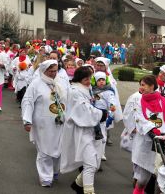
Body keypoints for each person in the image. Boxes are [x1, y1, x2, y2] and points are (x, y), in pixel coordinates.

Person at [130, 75, 165, 194]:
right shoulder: (138, 100)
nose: (141, 87)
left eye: (143, 85)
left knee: (161, 178)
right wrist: (152, 130)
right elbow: (140, 118)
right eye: (140, 85)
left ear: (152, 86)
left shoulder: (164, 101)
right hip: (146, 143)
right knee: (143, 179)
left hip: (162, 142)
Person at [22, 60, 68, 187]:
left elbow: (69, 98)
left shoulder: (62, 82)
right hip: (42, 123)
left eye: (55, 71)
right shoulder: (36, 84)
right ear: (44, 70)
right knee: (44, 150)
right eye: (51, 71)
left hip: (59, 122)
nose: (53, 74)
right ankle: (45, 177)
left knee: (59, 148)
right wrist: (27, 120)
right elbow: (28, 101)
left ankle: (54, 171)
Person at [61, 66, 105, 194]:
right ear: (79, 78)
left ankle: (77, 184)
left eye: (90, 78)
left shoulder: (86, 89)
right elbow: (84, 110)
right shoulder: (75, 91)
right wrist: (101, 114)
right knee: (90, 164)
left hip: (91, 130)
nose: (89, 81)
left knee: (95, 163)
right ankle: (88, 191)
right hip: (80, 131)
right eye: (86, 79)